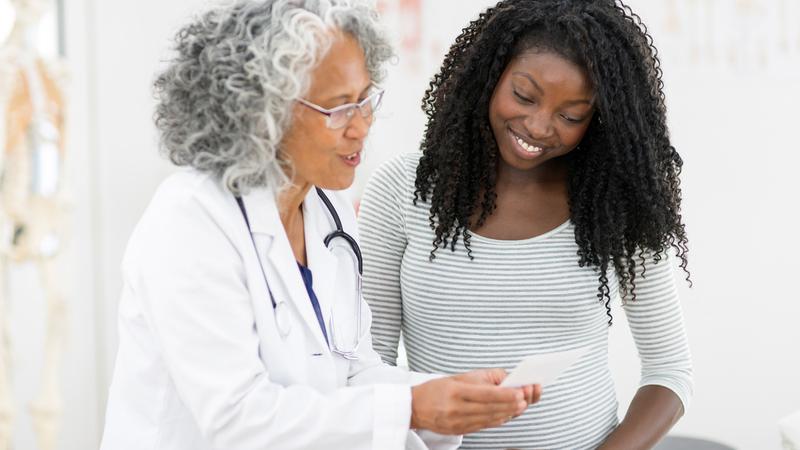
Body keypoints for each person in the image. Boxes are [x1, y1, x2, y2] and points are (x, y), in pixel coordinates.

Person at [99, 1, 541, 449]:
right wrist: (414, 407)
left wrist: (450, 400)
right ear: (261, 113)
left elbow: (353, 370)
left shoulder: (328, 206)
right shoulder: (190, 220)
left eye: (365, 99)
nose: (362, 127)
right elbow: (236, 418)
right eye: (338, 108)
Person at [358, 0, 693, 449]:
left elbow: (669, 369)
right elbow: (367, 365)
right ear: (488, 78)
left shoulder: (614, 203)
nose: (538, 126)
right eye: (523, 95)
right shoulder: (403, 189)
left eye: (570, 116)